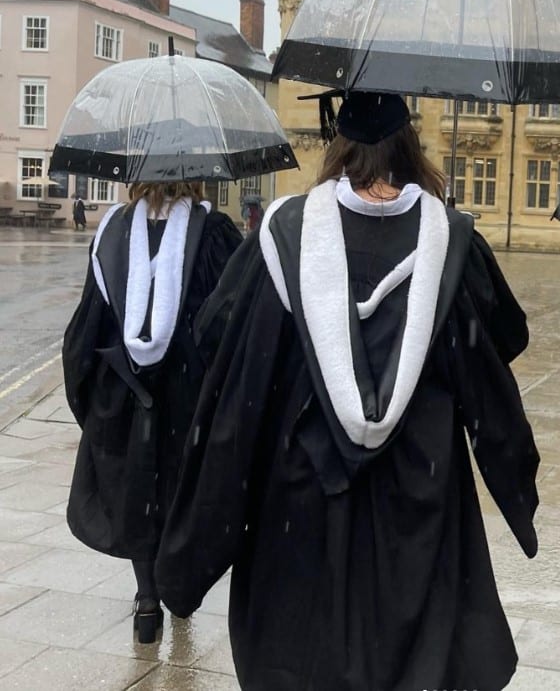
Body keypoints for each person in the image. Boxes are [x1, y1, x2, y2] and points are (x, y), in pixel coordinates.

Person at [155, 91, 540, 690]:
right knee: (412, 653)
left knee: (306, 646)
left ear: (339, 144)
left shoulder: (283, 235)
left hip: (303, 490)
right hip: (421, 487)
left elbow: (222, 351)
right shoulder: (451, 240)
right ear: (407, 143)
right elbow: (503, 341)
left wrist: (192, 549)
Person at [62, 181, 243, 643]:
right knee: (181, 493)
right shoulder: (215, 232)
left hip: (125, 390)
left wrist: (88, 398)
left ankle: (147, 603)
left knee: (136, 489)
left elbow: (87, 326)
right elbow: (230, 318)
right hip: (188, 391)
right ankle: (177, 588)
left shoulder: (113, 232)